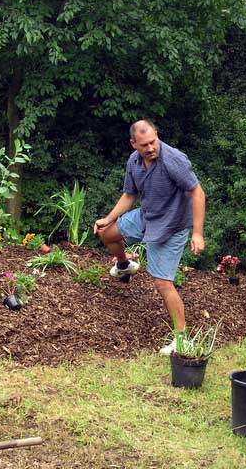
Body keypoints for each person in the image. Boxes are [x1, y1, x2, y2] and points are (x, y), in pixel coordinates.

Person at [93, 120, 206, 355]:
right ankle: (124, 265)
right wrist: (108, 218)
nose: (151, 148)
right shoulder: (134, 161)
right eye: (144, 144)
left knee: (163, 282)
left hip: (172, 225)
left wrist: (197, 232)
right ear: (133, 144)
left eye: (153, 141)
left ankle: (183, 339)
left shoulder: (173, 159)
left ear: (157, 135)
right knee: (107, 233)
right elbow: (129, 195)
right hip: (148, 216)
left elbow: (197, 192)